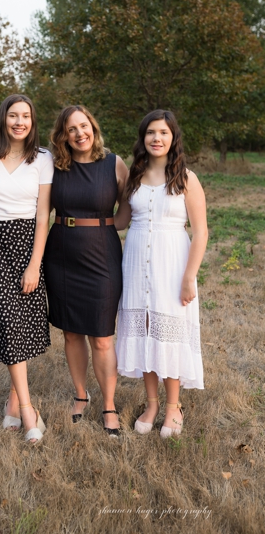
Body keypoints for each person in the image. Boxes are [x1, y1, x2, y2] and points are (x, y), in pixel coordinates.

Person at [115, 110, 207, 439]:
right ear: (143, 138)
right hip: (137, 262)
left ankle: (173, 407)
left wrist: (188, 277)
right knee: (145, 330)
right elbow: (120, 221)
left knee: (169, 333)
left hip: (173, 264)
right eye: (151, 132)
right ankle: (151, 404)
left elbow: (201, 232)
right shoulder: (135, 178)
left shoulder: (186, 178)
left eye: (163, 133)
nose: (157, 138)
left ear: (173, 138)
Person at [43, 106, 126, 437]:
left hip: (102, 257)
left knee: (103, 338)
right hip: (61, 255)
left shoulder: (113, 163)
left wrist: (105, 227)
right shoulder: (55, 167)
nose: (79, 133)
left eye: (84, 126)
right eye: (71, 129)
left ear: (93, 126)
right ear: (63, 136)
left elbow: (132, 205)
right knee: (72, 332)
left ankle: (108, 404)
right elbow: (35, 209)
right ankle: (80, 394)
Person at [0, 95, 53, 443]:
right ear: (3, 118)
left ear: (33, 121)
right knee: (6, 317)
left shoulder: (43, 159)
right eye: (13, 115)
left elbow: (42, 217)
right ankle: (27, 410)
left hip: (26, 243)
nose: (19, 121)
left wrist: (35, 264)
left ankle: (11, 401)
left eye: (26, 116)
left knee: (20, 321)